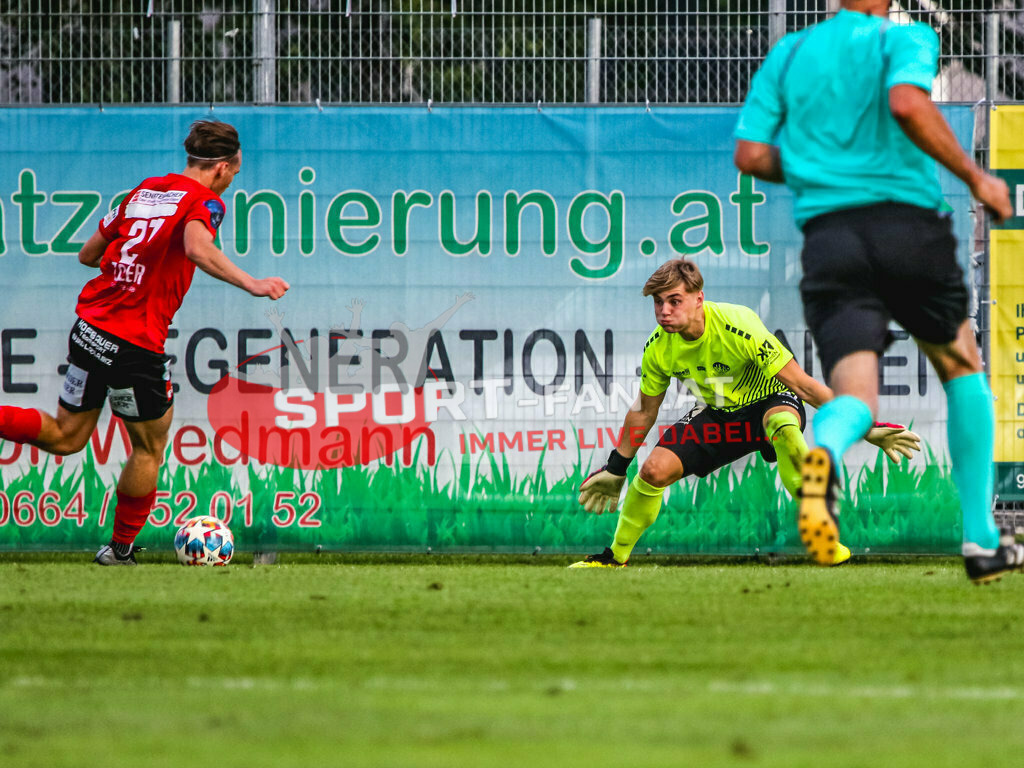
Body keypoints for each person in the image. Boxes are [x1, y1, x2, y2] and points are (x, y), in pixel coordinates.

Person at [732, 0, 1018, 583]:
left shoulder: (789, 52)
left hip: (831, 239)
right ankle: (981, 540)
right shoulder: (904, 39)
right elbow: (907, 103)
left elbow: (751, 155)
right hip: (907, 227)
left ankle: (823, 455)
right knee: (962, 368)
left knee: (856, 397)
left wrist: (820, 169)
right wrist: (975, 176)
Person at [0, 120, 290, 565]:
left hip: (90, 329)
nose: (232, 181)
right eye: (234, 173)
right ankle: (119, 551)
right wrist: (252, 283)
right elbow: (197, 248)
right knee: (149, 447)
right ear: (221, 167)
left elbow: (88, 255)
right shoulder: (205, 201)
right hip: (134, 343)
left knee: (66, 435)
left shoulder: (146, 190)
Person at [570, 258, 919, 568]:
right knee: (652, 471)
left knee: (783, 426)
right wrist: (617, 467)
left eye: (674, 301)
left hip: (770, 401)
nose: (664, 311)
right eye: (658, 302)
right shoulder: (658, 347)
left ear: (698, 299)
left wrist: (865, 427)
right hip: (720, 417)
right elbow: (645, 410)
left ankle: (822, 535)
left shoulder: (739, 325)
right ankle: (614, 557)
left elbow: (802, 385)